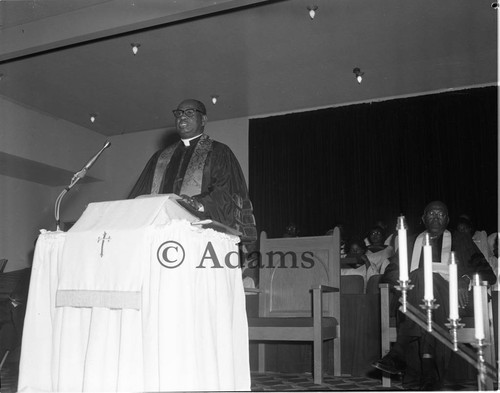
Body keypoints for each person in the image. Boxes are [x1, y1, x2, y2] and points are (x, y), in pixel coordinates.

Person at [371, 201, 496, 390]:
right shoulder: (410, 242)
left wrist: (462, 278)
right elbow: (389, 275)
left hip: (454, 300)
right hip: (414, 298)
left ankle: (399, 350)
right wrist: (412, 284)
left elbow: (488, 274)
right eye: (431, 213)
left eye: (440, 214)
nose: (436, 217)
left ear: (447, 219)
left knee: (425, 277)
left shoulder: (461, 239)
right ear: (423, 219)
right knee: (421, 277)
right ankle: (430, 372)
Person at [128, 98, 257, 243]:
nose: (182, 116)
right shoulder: (160, 157)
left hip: (200, 234)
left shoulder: (218, 152)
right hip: (161, 233)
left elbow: (227, 192)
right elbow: (139, 197)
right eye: (178, 113)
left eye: (189, 112)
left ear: (203, 120)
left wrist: (199, 203)